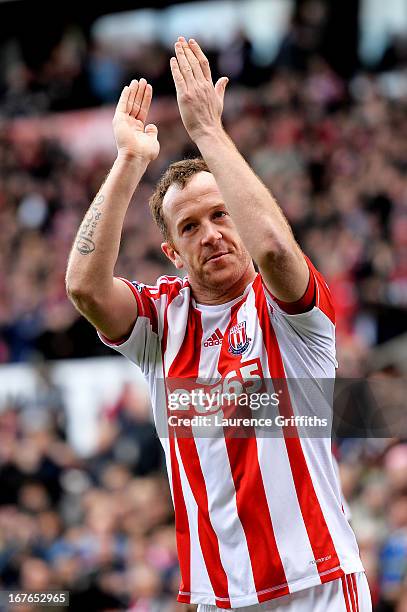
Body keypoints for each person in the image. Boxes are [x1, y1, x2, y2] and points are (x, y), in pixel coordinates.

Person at [66, 37, 372, 612]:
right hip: (217, 596)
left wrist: (208, 130)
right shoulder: (162, 318)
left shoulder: (291, 311)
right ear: (172, 252)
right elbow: (83, 287)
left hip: (318, 581)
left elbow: (278, 252)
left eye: (220, 213)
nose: (210, 233)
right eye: (189, 227)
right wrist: (129, 159)